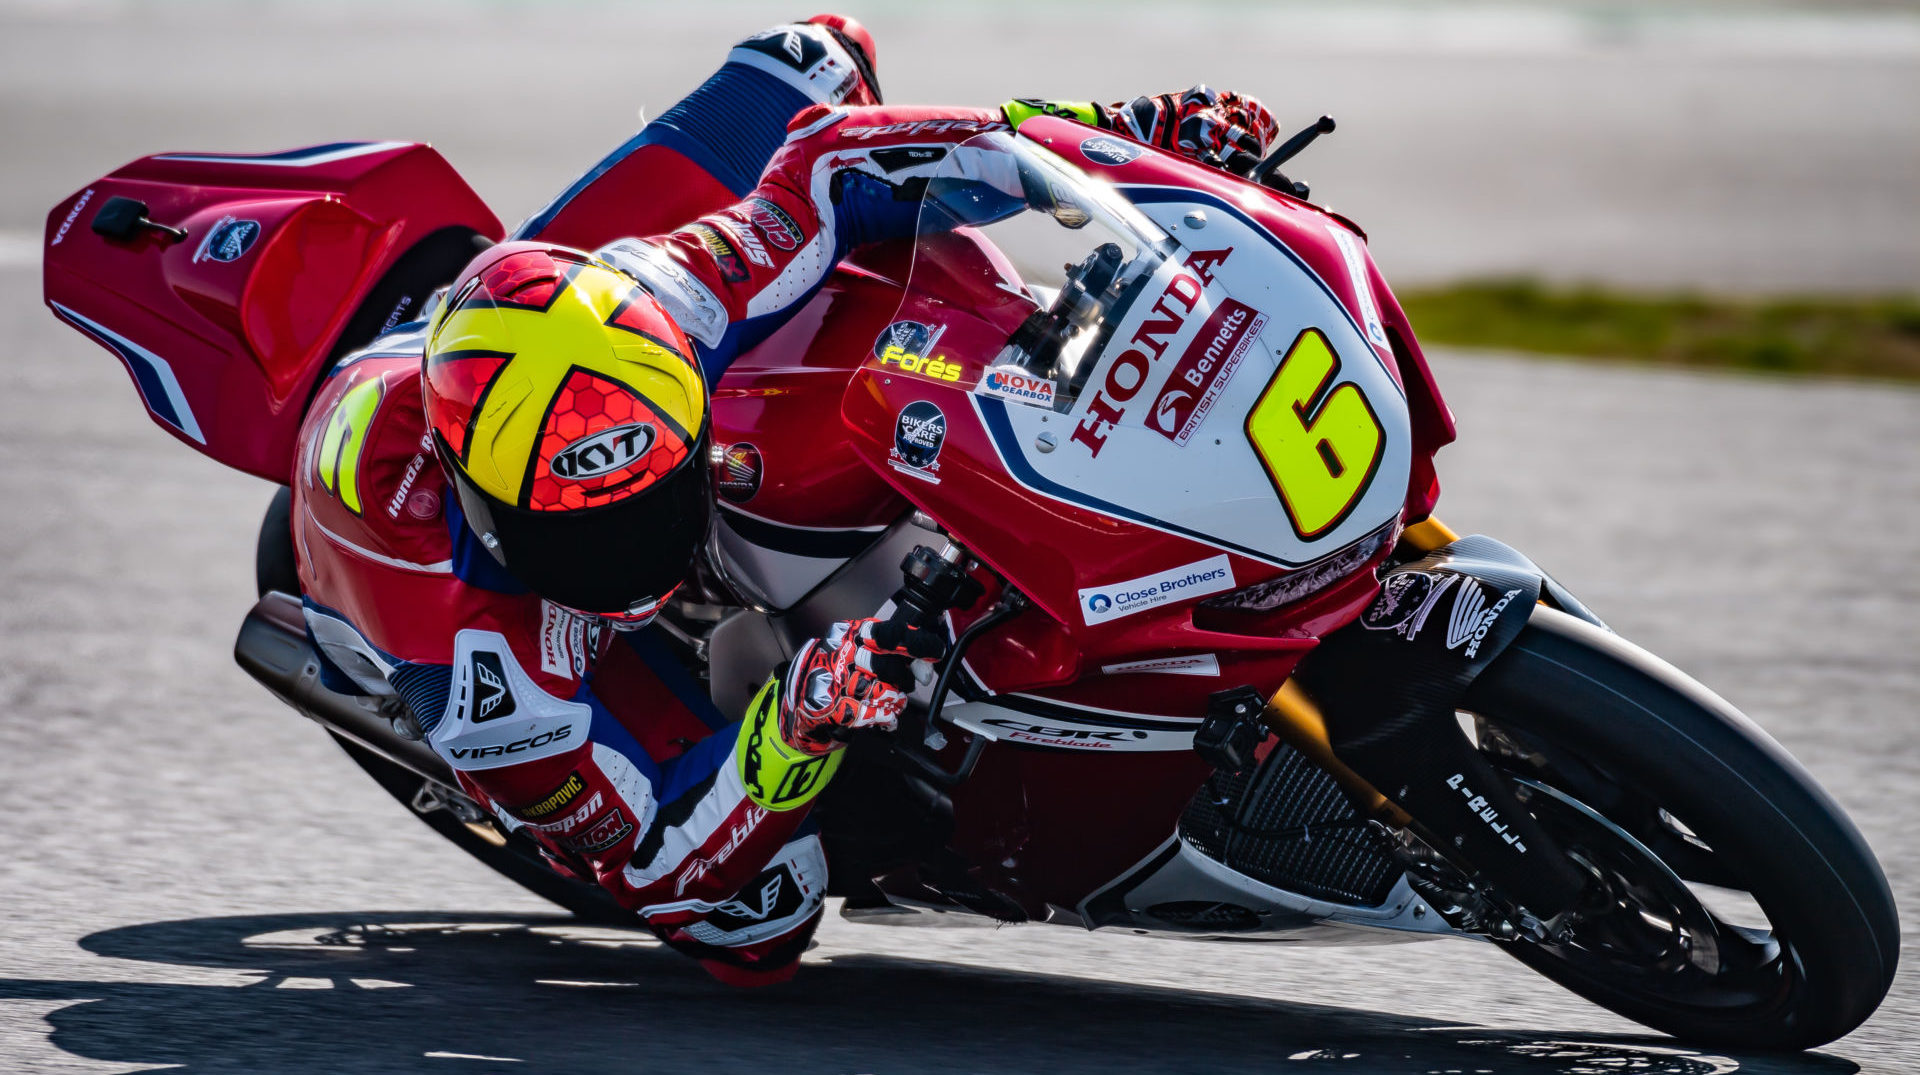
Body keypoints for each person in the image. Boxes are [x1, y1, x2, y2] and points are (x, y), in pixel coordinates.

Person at [292, 14, 1280, 984]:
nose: (631, 551)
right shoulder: (483, 663)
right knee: (755, 914)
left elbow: (828, 169)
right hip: (399, 572)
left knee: (812, 57)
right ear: (486, 506)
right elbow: (660, 865)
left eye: (647, 504)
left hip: (541, 329)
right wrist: (798, 718)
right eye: (588, 533)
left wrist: (1108, 138)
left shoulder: (672, 295)